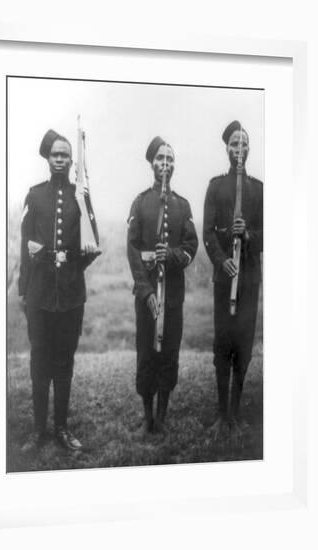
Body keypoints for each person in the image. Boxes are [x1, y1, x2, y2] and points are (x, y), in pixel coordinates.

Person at [18, 129, 99, 452]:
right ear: (48, 158)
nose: (61, 159)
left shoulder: (81, 197)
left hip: (70, 297)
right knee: (40, 362)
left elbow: (92, 247)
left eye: (66, 154)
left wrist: (74, 263)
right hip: (39, 296)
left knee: (64, 362)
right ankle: (39, 431)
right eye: (56, 154)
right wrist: (25, 292)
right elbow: (26, 247)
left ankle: (62, 429)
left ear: (71, 160)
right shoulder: (34, 196)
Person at [127, 137, 198, 434]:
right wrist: (145, 292)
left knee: (169, 353)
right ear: (151, 163)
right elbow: (131, 250)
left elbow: (191, 245)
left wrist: (171, 255)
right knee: (146, 352)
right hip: (148, 299)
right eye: (160, 159)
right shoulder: (141, 202)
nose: (165, 164)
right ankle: (147, 418)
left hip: (173, 297)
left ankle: (163, 416)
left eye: (170, 159)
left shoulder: (183, 205)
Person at [203, 120, 263, 432]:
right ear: (226, 149)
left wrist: (249, 235)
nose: (239, 149)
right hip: (224, 278)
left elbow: (270, 234)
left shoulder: (259, 189)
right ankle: (221, 412)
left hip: (250, 280)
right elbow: (207, 233)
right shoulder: (216, 187)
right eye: (234, 144)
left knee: (243, 343)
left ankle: (236, 413)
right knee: (223, 343)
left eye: (243, 144)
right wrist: (222, 260)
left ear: (249, 148)